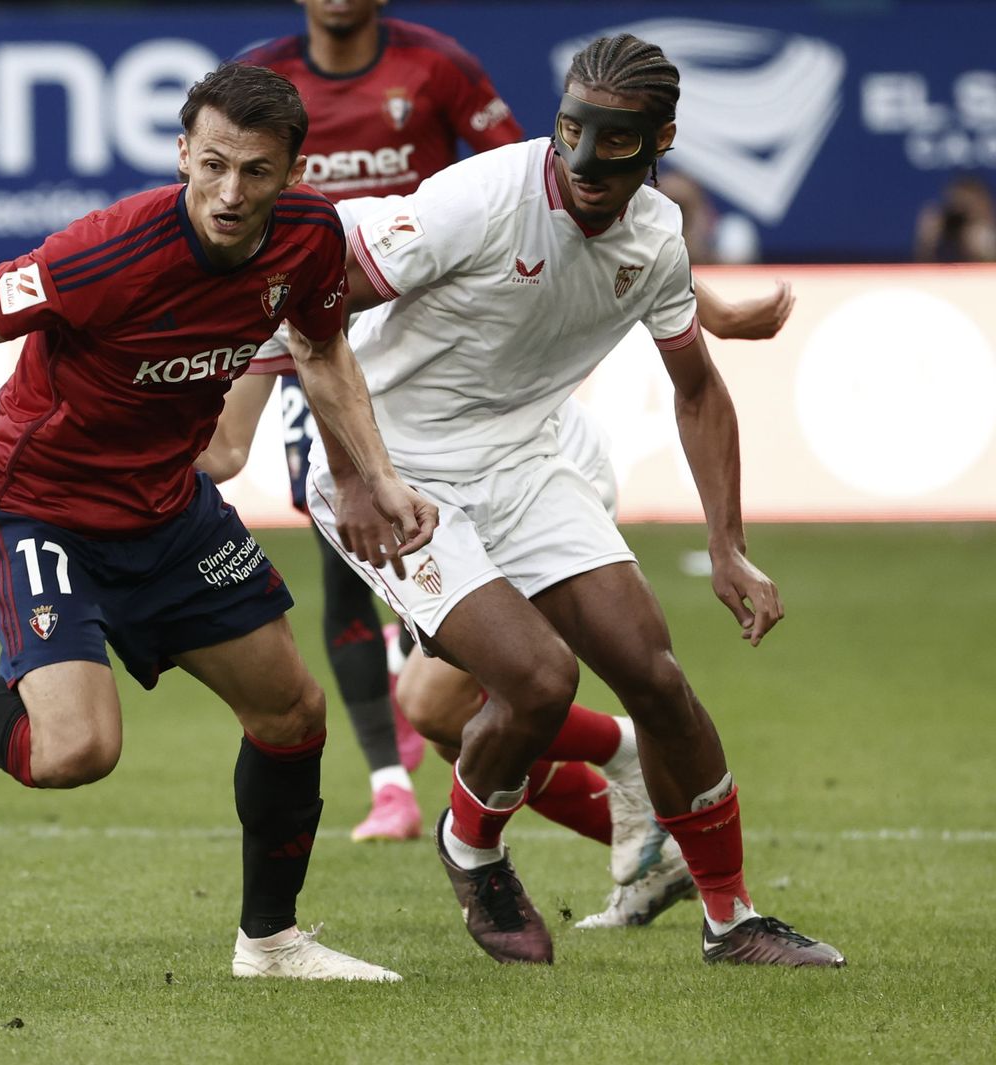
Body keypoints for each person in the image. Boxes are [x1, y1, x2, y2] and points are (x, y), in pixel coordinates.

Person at [0, 62, 437, 982]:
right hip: (43, 509)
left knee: (292, 711)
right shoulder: (105, 255)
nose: (230, 192)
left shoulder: (308, 239)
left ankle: (271, 943)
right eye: (212, 163)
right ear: (182, 152)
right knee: (76, 750)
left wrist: (372, 477)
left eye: (256, 171)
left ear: (295, 173)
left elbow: (324, 346)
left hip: (169, 509)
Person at [302, 33, 844, 966]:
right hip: (397, 472)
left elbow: (699, 389)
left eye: (617, 143)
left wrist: (728, 547)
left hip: (526, 460)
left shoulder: (656, 238)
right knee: (538, 680)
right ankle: (472, 846)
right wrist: (353, 473)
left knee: (657, 675)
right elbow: (309, 296)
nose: (586, 164)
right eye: (571, 133)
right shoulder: (476, 201)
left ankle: (733, 919)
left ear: (661, 140)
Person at [204, 264, 792, 926]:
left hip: (527, 465)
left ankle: (636, 782)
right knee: (439, 709)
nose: (234, 192)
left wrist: (708, 309)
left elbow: (602, 223)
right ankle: (645, 808)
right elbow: (224, 451)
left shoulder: (389, 216)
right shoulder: (263, 274)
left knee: (466, 695)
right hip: (420, 484)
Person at [231, 0, 523, 842]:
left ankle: (438, 680)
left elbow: (523, 180)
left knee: (435, 547)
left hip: (428, 356)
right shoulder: (264, 76)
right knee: (342, 554)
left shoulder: (437, 67)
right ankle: (389, 783)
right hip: (306, 342)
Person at [914, 173, 996, 263]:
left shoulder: (985, 235)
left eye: (968, 206)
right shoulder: (944, 239)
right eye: (956, 206)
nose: (962, 212)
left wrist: (986, 251)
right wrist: (925, 244)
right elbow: (922, 271)